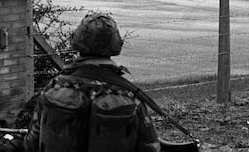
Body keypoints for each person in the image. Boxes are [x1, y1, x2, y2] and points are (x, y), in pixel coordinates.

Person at [24, 13, 160, 152]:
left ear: (76, 40)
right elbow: (150, 147)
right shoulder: (128, 94)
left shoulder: (55, 87)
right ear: (118, 44)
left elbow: (31, 143)